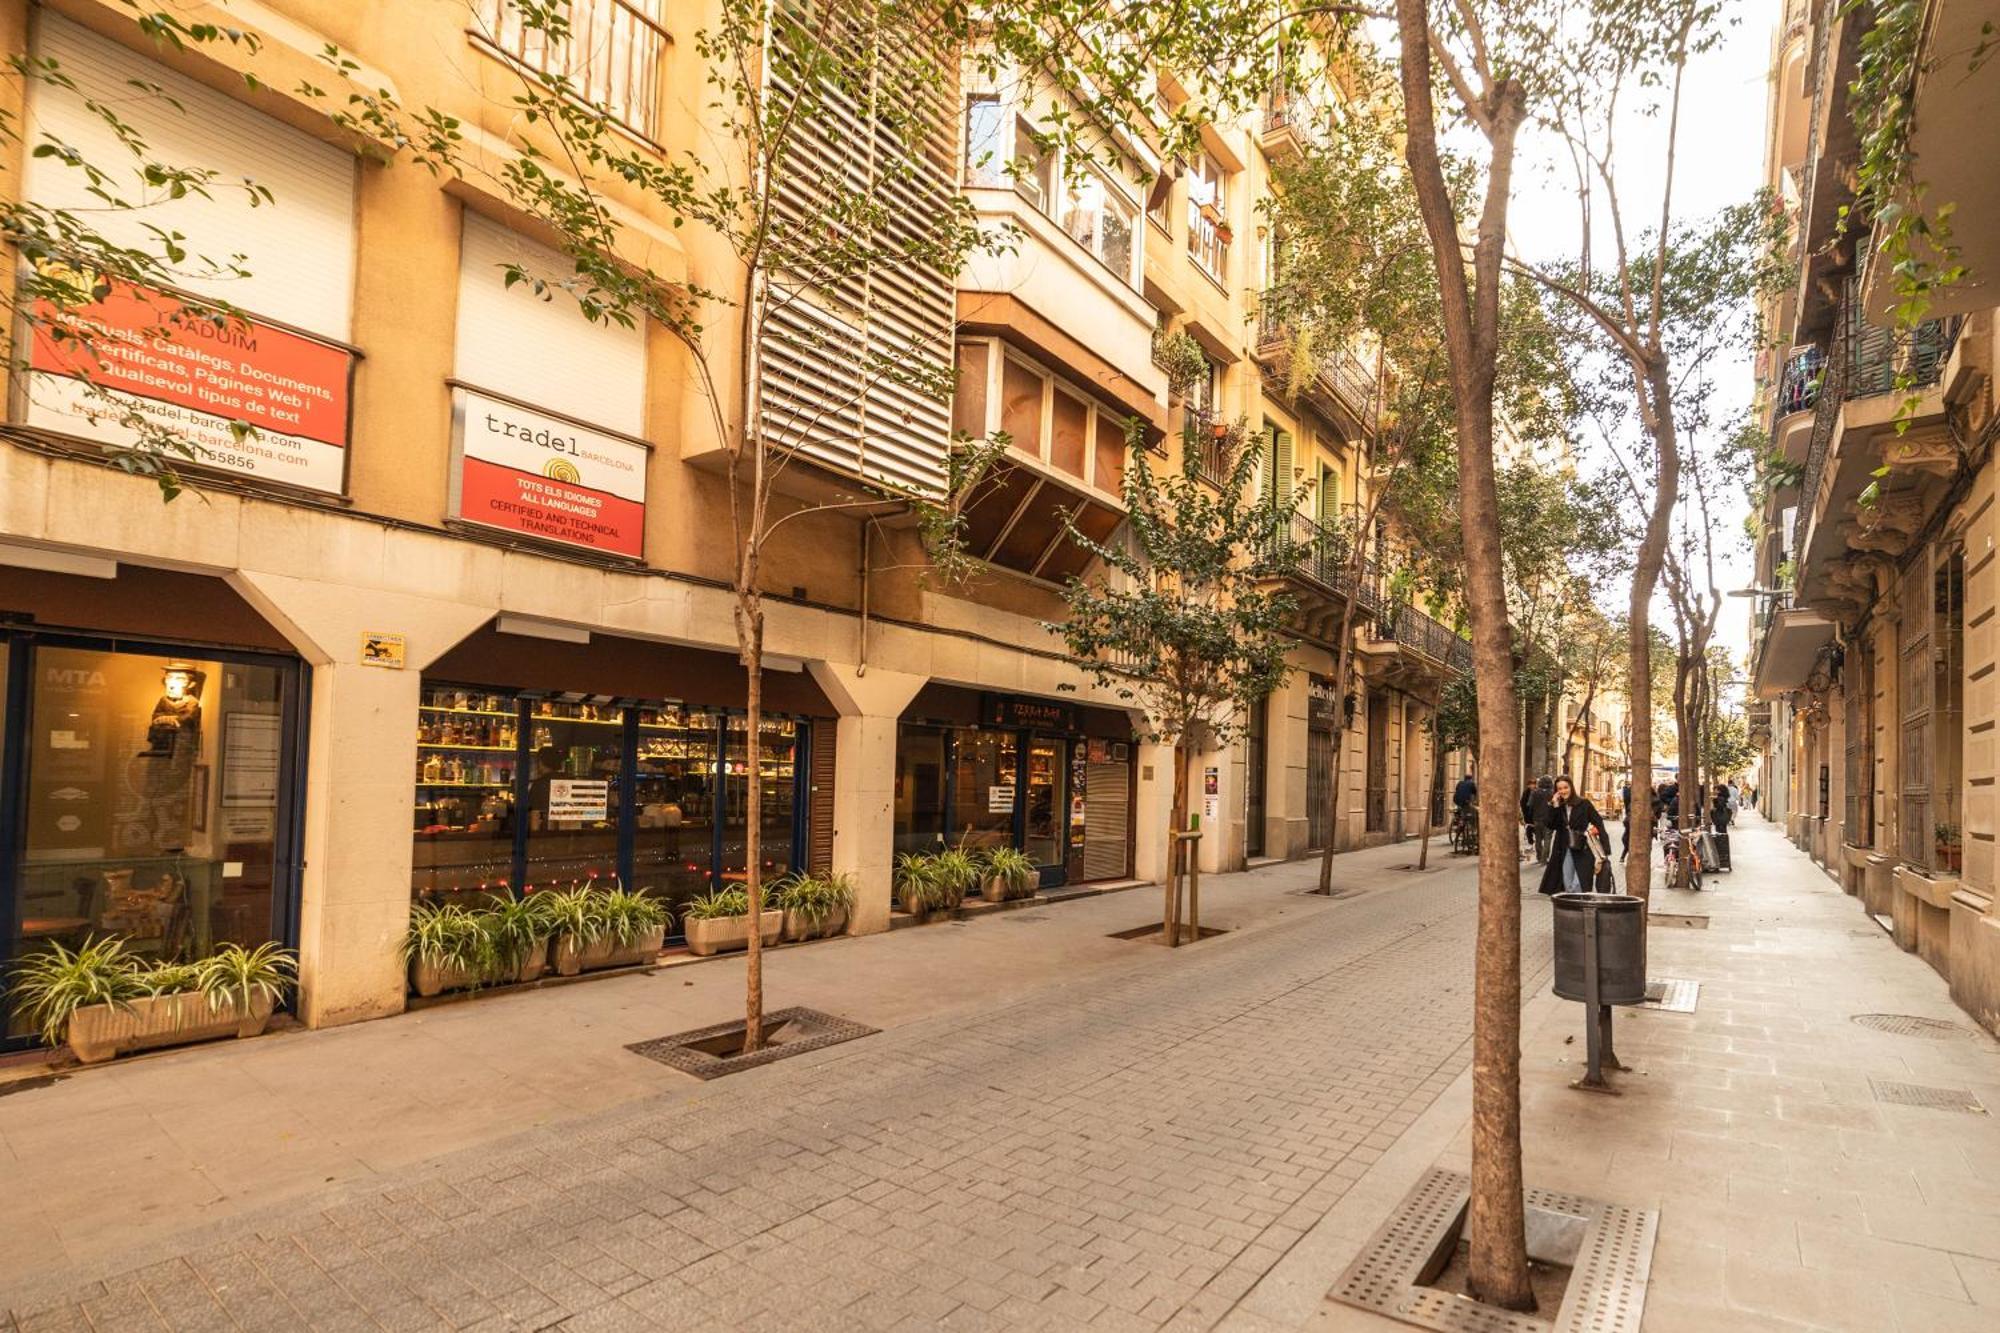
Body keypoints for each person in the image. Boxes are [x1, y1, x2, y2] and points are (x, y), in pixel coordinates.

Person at [1537, 775, 1611, 896]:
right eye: (1559, 789)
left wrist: (1605, 848)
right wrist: (1554, 805)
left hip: (1583, 848)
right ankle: (1574, 910)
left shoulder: (1584, 803)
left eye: (1565, 787)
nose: (1563, 791)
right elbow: (1551, 825)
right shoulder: (1558, 806)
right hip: (1564, 848)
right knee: (1567, 882)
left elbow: (1598, 822)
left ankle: (1579, 909)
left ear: (1571, 787)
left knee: (1579, 883)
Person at [1527, 776, 1555, 863]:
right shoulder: (1552, 793)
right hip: (1549, 820)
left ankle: (1539, 857)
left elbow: (1529, 805)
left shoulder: (1534, 793)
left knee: (1538, 838)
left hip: (1537, 819)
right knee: (1548, 839)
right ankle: (1545, 858)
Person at [1709, 780, 1734, 870]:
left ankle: (1722, 856)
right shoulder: (1723, 797)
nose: (1715, 791)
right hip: (1722, 821)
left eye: (1717, 790)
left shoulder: (1720, 798)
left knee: (1720, 836)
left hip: (1720, 820)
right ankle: (1723, 855)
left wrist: (1714, 800)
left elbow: (1719, 807)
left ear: (1720, 791)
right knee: (1722, 835)